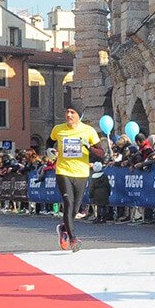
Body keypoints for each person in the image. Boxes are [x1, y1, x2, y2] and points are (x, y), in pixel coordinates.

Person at [50, 103, 103, 252]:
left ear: (79, 115)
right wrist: (50, 150)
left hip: (81, 173)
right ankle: (73, 239)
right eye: (67, 112)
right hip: (63, 171)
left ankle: (63, 228)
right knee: (68, 202)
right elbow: (49, 141)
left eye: (72, 112)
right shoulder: (58, 129)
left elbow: (101, 153)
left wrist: (88, 146)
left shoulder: (89, 131)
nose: (69, 115)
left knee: (75, 208)